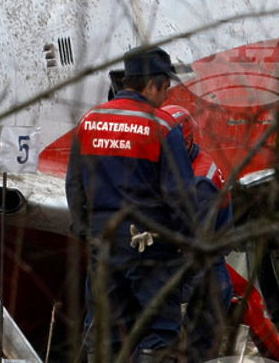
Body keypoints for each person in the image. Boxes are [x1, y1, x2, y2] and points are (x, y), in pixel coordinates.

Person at [65, 48, 196, 363]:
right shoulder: (162, 126)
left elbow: (74, 185)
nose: (166, 98)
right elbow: (180, 193)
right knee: (160, 327)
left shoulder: (90, 121)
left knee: (103, 327)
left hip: (103, 240)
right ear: (152, 85)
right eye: (166, 89)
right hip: (150, 241)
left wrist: (86, 230)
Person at [163, 104, 235, 361]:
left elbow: (192, 240)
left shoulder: (200, 181)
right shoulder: (191, 170)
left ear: (188, 142)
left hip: (206, 278)